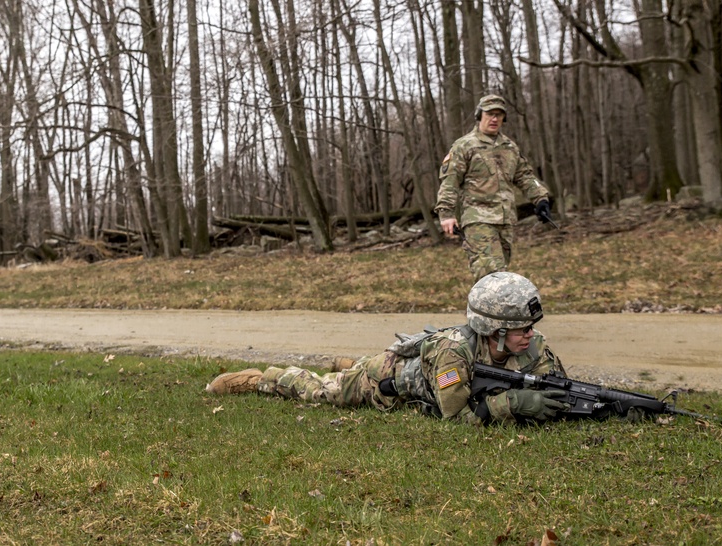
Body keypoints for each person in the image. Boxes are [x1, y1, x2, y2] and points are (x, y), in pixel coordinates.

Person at [205, 272, 571, 426]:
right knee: (325, 392)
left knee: (351, 370)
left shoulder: (529, 343)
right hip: (385, 380)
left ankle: (348, 363)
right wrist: (514, 404)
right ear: (495, 329)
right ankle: (261, 380)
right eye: (521, 329)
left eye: (530, 328)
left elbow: (558, 386)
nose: (530, 335)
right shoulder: (453, 352)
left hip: (408, 369)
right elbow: (455, 417)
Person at [435, 94, 554, 281]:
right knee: (491, 273)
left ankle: (484, 310)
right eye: (490, 114)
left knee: (499, 274)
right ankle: (488, 309)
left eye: (499, 115)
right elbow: (450, 181)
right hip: (478, 219)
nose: (494, 119)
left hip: (505, 220)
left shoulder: (510, 147)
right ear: (479, 115)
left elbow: (525, 175)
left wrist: (541, 199)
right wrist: (446, 214)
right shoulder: (465, 146)